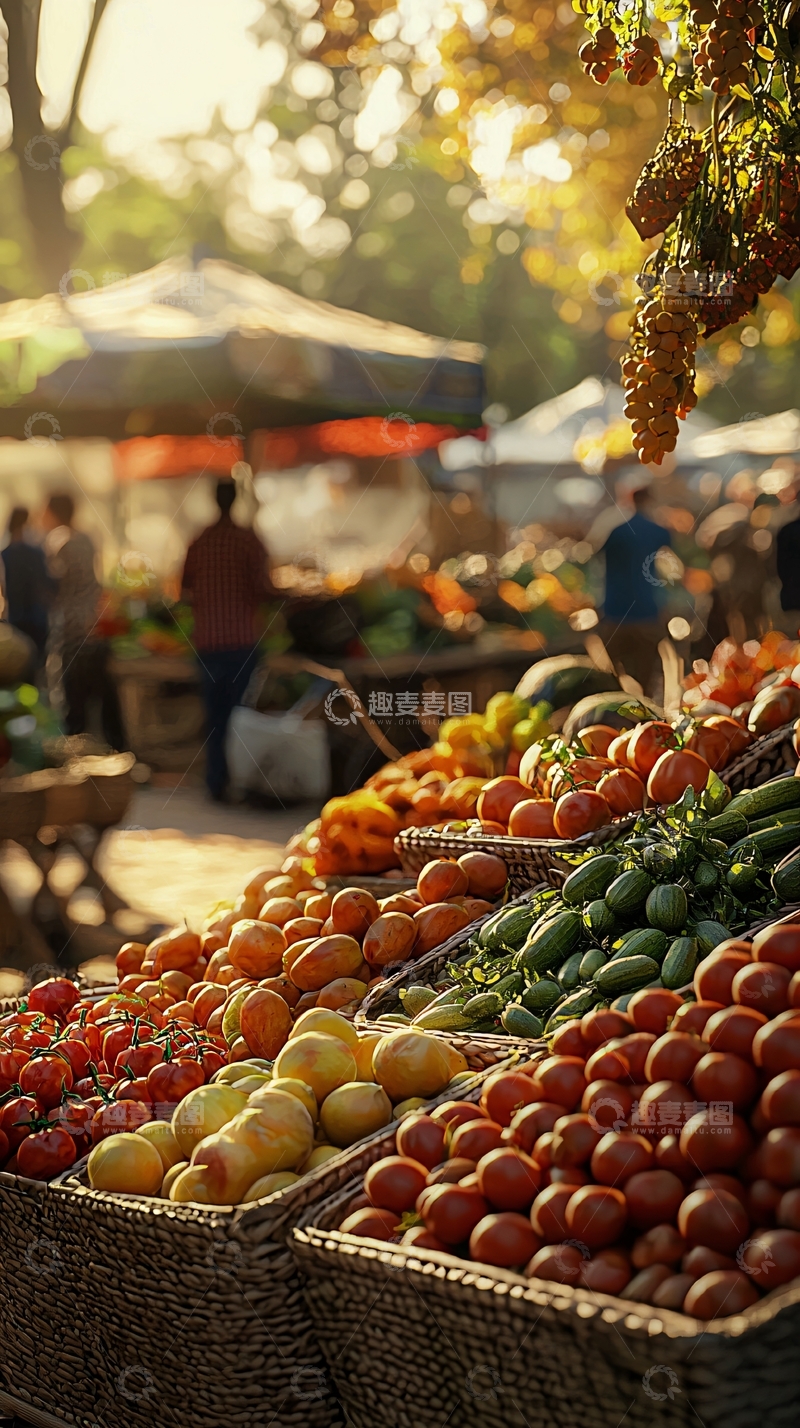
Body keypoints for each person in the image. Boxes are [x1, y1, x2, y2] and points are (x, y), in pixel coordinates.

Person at [181, 479, 269, 801]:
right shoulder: (247, 540)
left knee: (215, 716)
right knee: (240, 716)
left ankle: (216, 782)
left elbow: (183, 589)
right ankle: (240, 782)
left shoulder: (200, 541)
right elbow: (264, 587)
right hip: (242, 644)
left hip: (207, 643)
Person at [43, 492, 126, 750]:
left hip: (71, 634)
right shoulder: (87, 540)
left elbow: (53, 585)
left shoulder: (60, 543)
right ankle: (118, 753)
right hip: (94, 629)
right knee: (105, 702)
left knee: (74, 708)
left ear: (54, 513)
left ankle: (75, 762)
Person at [600, 487, 672, 693]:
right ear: (649, 501)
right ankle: (645, 709)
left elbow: (592, 553)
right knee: (646, 667)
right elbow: (672, 564)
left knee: (614, 669)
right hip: (647, 609)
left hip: (615, 611)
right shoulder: (658, 531)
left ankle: (619, 708)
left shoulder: (615, 529)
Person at [1, 507, 54, 664]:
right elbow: (46, 584)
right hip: (37, 617)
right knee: (36, 665)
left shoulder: (5, 553)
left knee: (16, 664)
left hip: (15, 616)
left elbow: (3, 589)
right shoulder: (37, 552)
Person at [775, 513, 800, 636]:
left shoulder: (787, 530)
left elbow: (779, 566)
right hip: (793, 596)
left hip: (792, 598)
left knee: (793, 647)